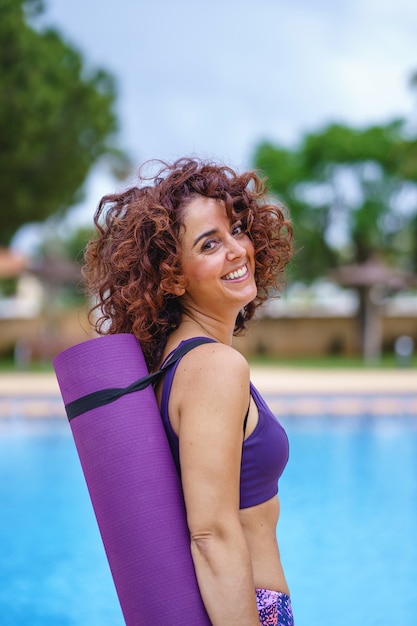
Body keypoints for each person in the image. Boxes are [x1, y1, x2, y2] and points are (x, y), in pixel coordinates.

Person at [83, 157, 294, 625]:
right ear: (173, 275)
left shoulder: (172, 364)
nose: (237, 249)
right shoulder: (215, 366)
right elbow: (212, 535)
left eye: (237, 229)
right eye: (209, 244)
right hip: (253, 612)